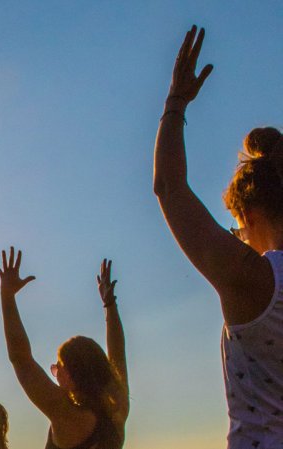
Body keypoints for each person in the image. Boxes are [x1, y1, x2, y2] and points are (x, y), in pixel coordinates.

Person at [154, 25, 283, 448]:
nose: (240, 237)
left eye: (238, 225)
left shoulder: (257, 282)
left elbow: (170, 189)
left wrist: (176, 102)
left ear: (249, 211)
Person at [0, 249, 128, 449]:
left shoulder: (66, 415)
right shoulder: (117, 408)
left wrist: (7, 296)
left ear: (73, 375)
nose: (55, 374)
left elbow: (20, 358)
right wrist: (110, 305)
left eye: (58, 368)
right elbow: (118, 355)